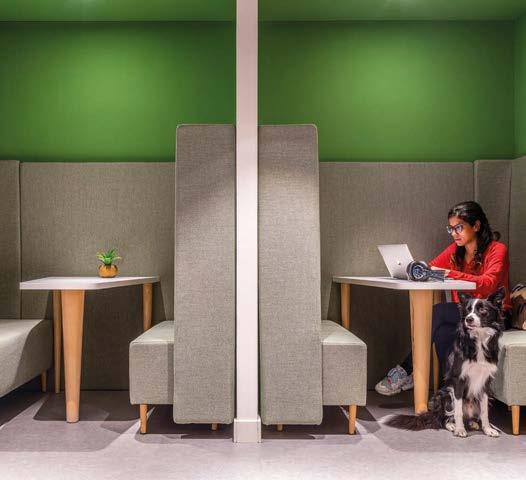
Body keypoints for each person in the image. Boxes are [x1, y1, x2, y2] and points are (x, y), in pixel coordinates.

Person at [375, 200, 511, 396]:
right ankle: (449, 390)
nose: (454, 233)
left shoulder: (497, 249)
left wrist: (449, 274)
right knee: (442, 331)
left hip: (494, 315)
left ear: (476, 225)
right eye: (451, 228)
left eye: (459, 227)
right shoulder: (456, 250)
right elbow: (432, 267)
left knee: (438, 312)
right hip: (466, 314)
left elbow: (488, 283)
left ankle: (406, 369)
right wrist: (415, 271)